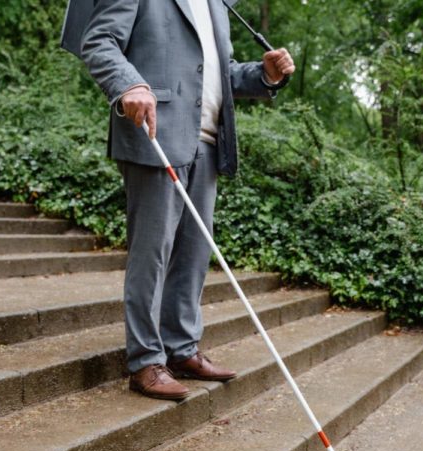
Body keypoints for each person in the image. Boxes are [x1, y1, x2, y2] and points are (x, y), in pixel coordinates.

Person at [81, 0, 295, 401]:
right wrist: (128, 82)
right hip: (155, 134)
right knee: (153, 254)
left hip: (209, 143)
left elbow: (217, 74)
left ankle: (181, 350)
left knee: (194, 255)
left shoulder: (216, 4)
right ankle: (145, 361)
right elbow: (99, 40)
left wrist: (263, 75)